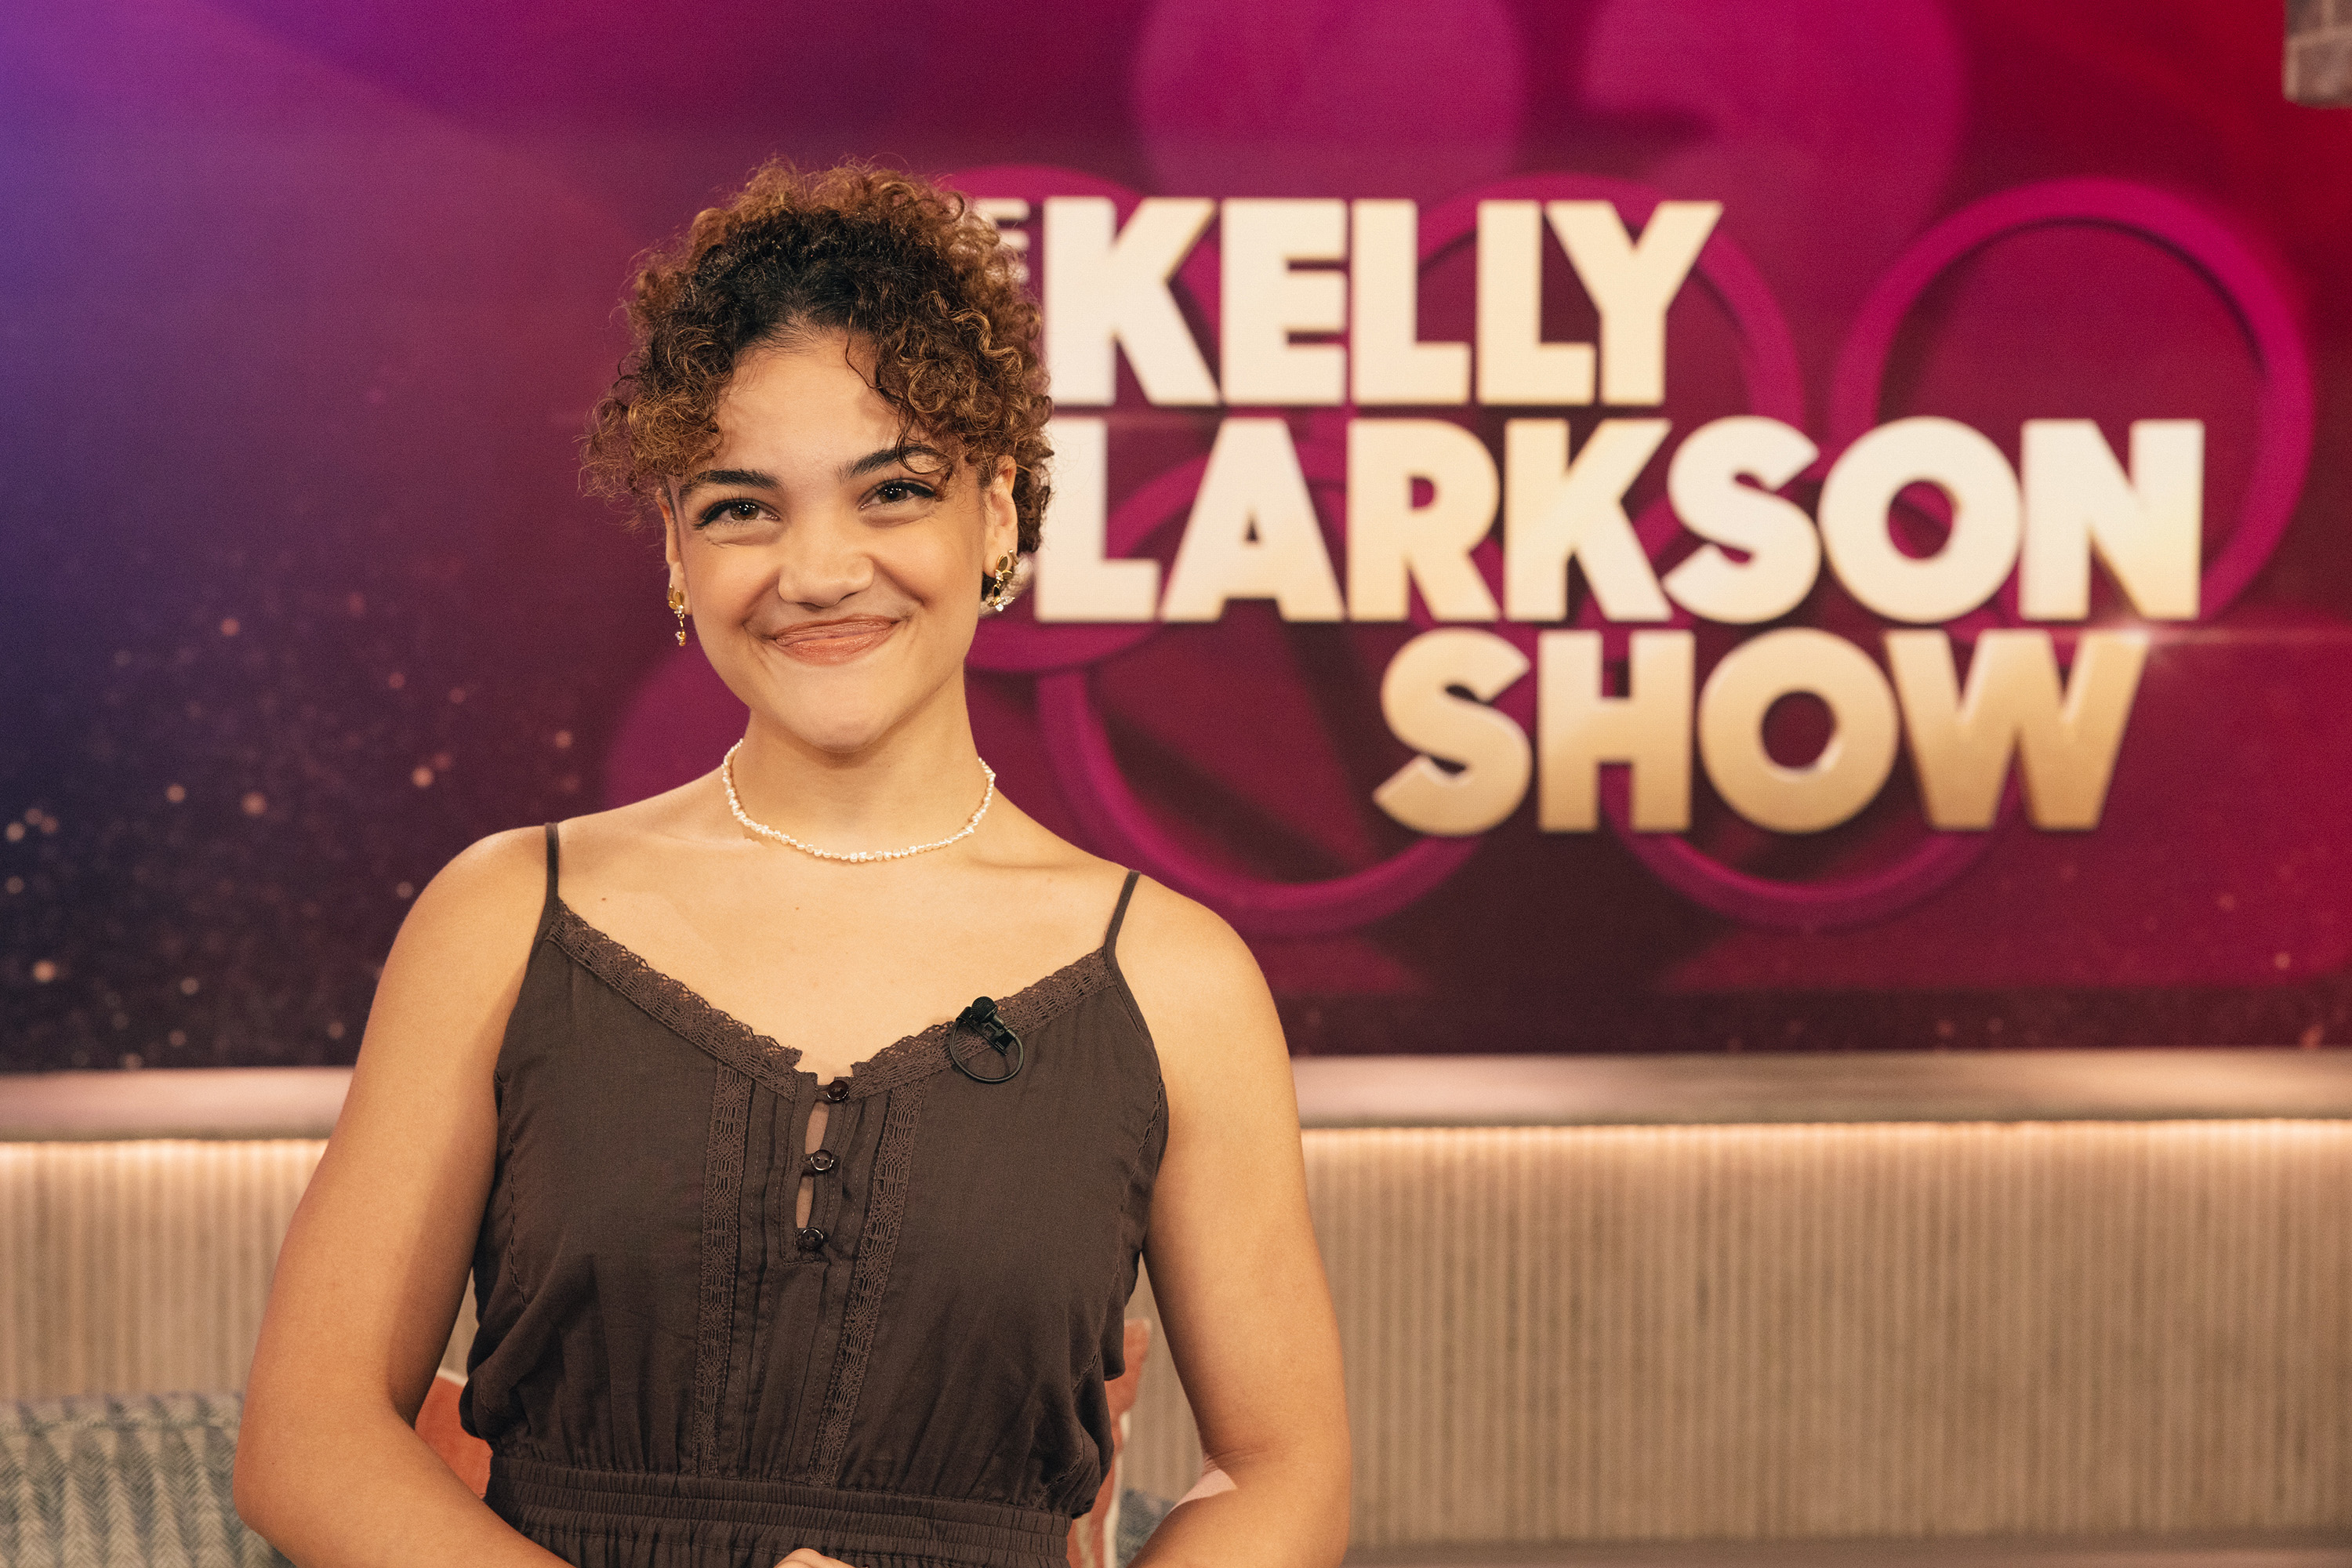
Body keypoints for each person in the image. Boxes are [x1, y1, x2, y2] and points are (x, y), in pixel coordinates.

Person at [233, 162, 1350, 1568]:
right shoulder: (505, 917)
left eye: (892, 493)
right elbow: (309, 1437)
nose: (819, 570)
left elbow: (1280, 1470)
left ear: (998, 513)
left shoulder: (1176, 981)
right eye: (742, 508)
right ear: (676, 550)